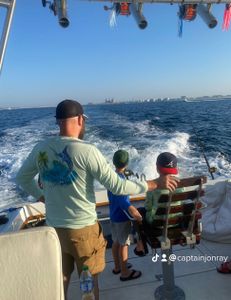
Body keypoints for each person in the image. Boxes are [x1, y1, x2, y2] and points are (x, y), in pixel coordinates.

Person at [16, 99, 178, 300]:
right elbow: (118, 186)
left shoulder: (42, 148)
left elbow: (22, 178)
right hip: (83, 232)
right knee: (88, 284)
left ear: (58, 122)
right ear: (79, 120)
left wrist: (43, 196)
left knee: (62, 280)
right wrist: (154, 184)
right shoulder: (87, 151)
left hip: (55, 230)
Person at [134, 152, 180, 256]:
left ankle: (141, 244)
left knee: (140, 212)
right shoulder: (181, 184)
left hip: (158, 225)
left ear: (157, 168)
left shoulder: (152, 186)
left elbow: (148, 207)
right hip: (176, 222)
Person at [107, 149, 144, 281]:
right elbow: (123, 202)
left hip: (113, 216)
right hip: (122, 219)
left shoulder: (111, 178)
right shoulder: (121, 180)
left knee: (116, 242)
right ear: (127, 164)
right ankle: (124, 272)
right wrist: (136, 214)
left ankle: (117, 267)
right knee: (124, 245)